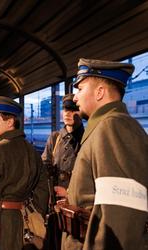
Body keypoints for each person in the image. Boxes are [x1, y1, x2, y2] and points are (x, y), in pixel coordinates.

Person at [61, 58, 148, 249]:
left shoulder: (113, 127)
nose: (75, 98)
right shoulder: (105, 127)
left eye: (80, 89)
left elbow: (120, 222)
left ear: (100, 92)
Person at [0, 96, 48, 250]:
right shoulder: (32, 151)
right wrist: (35, 213)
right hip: (25, 220)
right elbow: (43, 188)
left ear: (10, 122)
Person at [41, 93, 84, 250]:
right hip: (55, 203)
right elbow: (44, 164)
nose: (67, 113)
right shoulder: (55, 138)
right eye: (65, 109)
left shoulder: (86, 139)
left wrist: (69, 192)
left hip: (75, 204)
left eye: (73, 109)